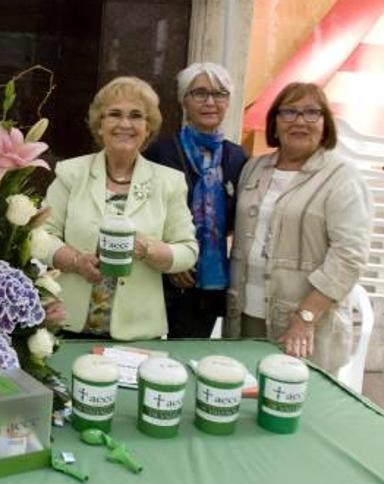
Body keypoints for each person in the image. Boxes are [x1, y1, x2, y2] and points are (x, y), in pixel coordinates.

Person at [226, 82, 372, 373]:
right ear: (275, 124)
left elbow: (349, 255)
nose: (300, 122)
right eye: (289, 112)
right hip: (244, 314)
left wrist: (306, 316)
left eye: (311, 113)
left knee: (295, 405)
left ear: (325, 123)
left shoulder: (343, 178)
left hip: (304, 323)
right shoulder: (254, 168)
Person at [39, 76, 198, 339]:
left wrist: (146, 248)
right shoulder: (71, 173)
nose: (125, 124)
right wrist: (77, 262)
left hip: (138, 331)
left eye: (136, 116)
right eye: (114, 114)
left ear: (148, 128)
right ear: (99, 125)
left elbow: (188, 251)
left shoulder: (169, 182)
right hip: (67, 325)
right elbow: (40, 236)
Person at [144, 62, 248, 338]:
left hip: (208, 284)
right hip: (158, 277)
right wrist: (171, 257)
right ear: (183, 101)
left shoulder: (237, 158)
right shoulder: (160, 152)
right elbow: (144, 211)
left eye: (220, 94)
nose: (210, 102)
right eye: (199, 93)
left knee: (188, 355)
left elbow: (238, 217)